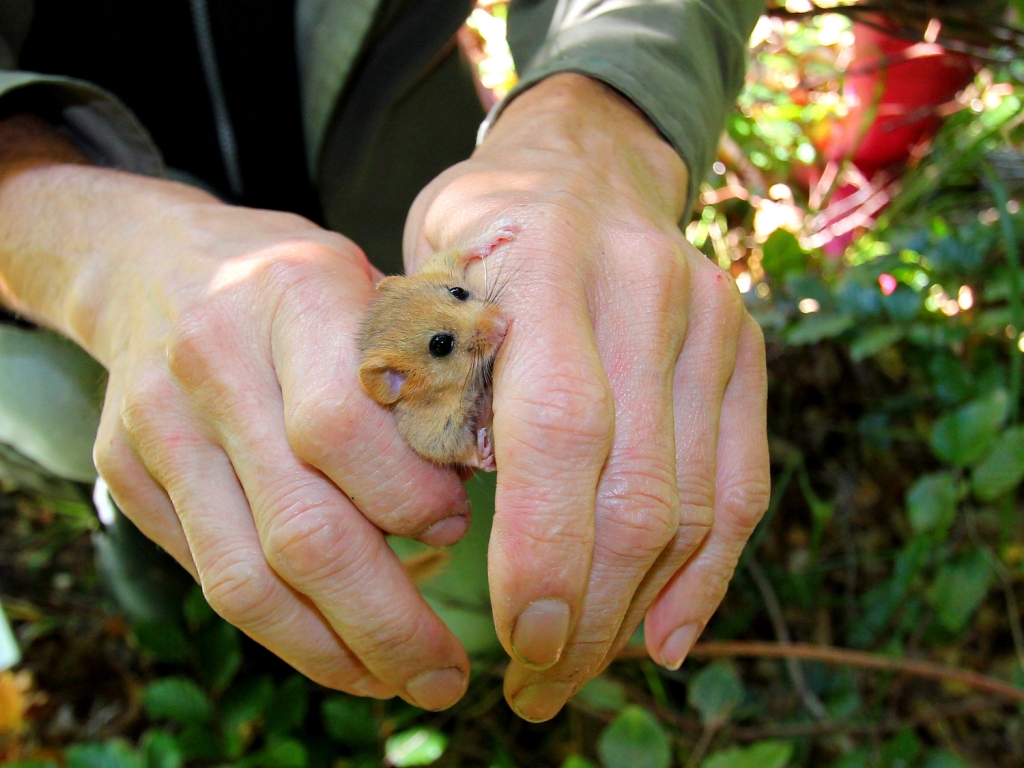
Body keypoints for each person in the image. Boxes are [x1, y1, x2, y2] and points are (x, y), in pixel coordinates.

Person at [0, 0, 770, 722]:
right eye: (445, 343)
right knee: (130, 456)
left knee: (475, 559)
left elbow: (447, 295)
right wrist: (92, 250)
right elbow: (437, 435)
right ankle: (136, 548)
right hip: (55, 313)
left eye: (463, 302)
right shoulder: (410, 394)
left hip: (398, 179)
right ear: (393, 382)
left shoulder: (421, 307)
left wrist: (603, 108)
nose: (483, 322)